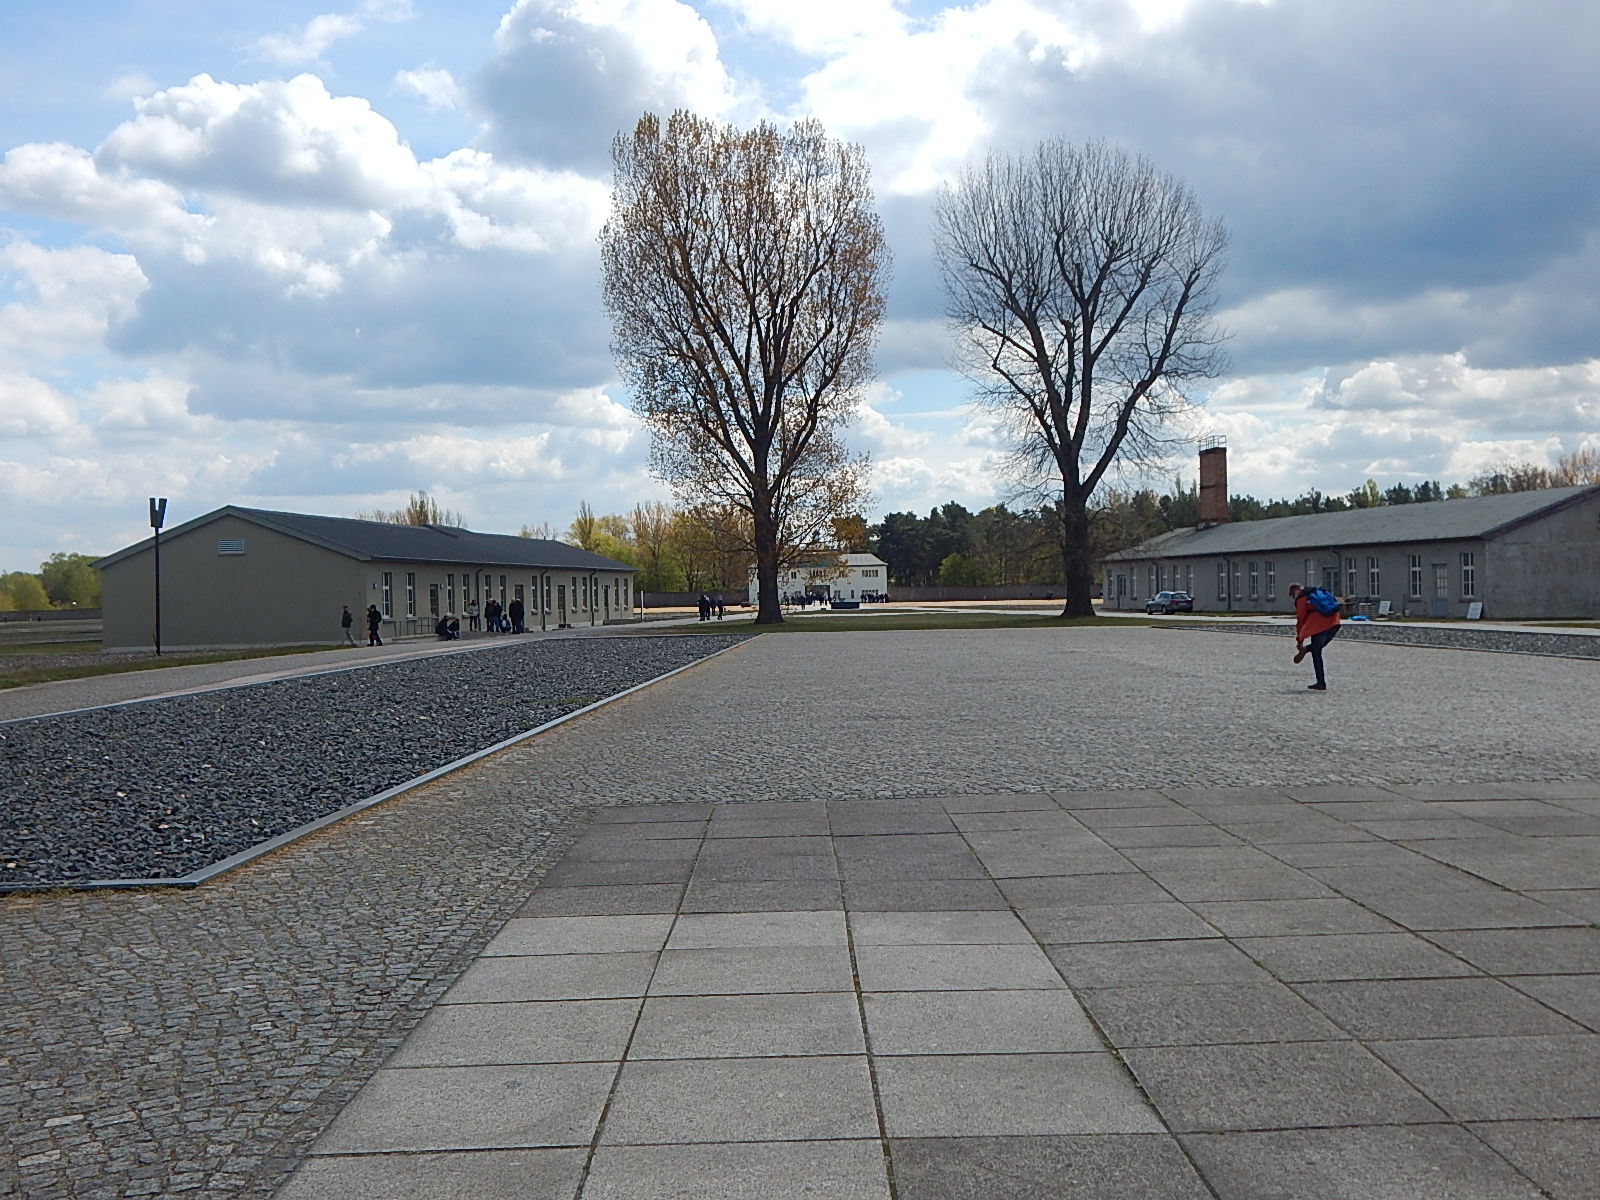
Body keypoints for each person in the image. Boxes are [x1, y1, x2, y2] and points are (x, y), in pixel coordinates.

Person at [1289, 582, 1341, 691]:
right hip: (1334, 622)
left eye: (1293, 595)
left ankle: (1321, 682)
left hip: (1318, 625)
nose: (1294, 598)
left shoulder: (1302, 599)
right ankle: (1307, 650)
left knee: (1316, 652)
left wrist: (1300, 640)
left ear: (1295, 591)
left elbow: (1301, 620)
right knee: (1317, 647)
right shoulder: (1318, 592)